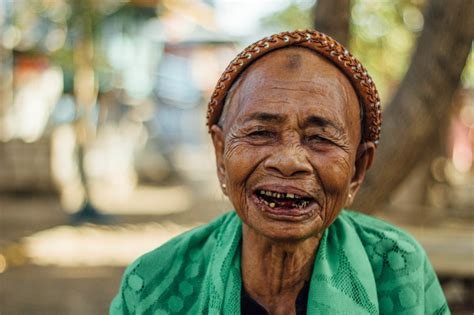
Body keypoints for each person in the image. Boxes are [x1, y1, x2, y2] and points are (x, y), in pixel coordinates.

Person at [110, 30, 449, 315]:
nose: (289, 161)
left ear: (358, 170)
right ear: (220, 155)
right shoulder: (151, 284)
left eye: (319, 138)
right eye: (260, 133)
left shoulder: (398, 268)